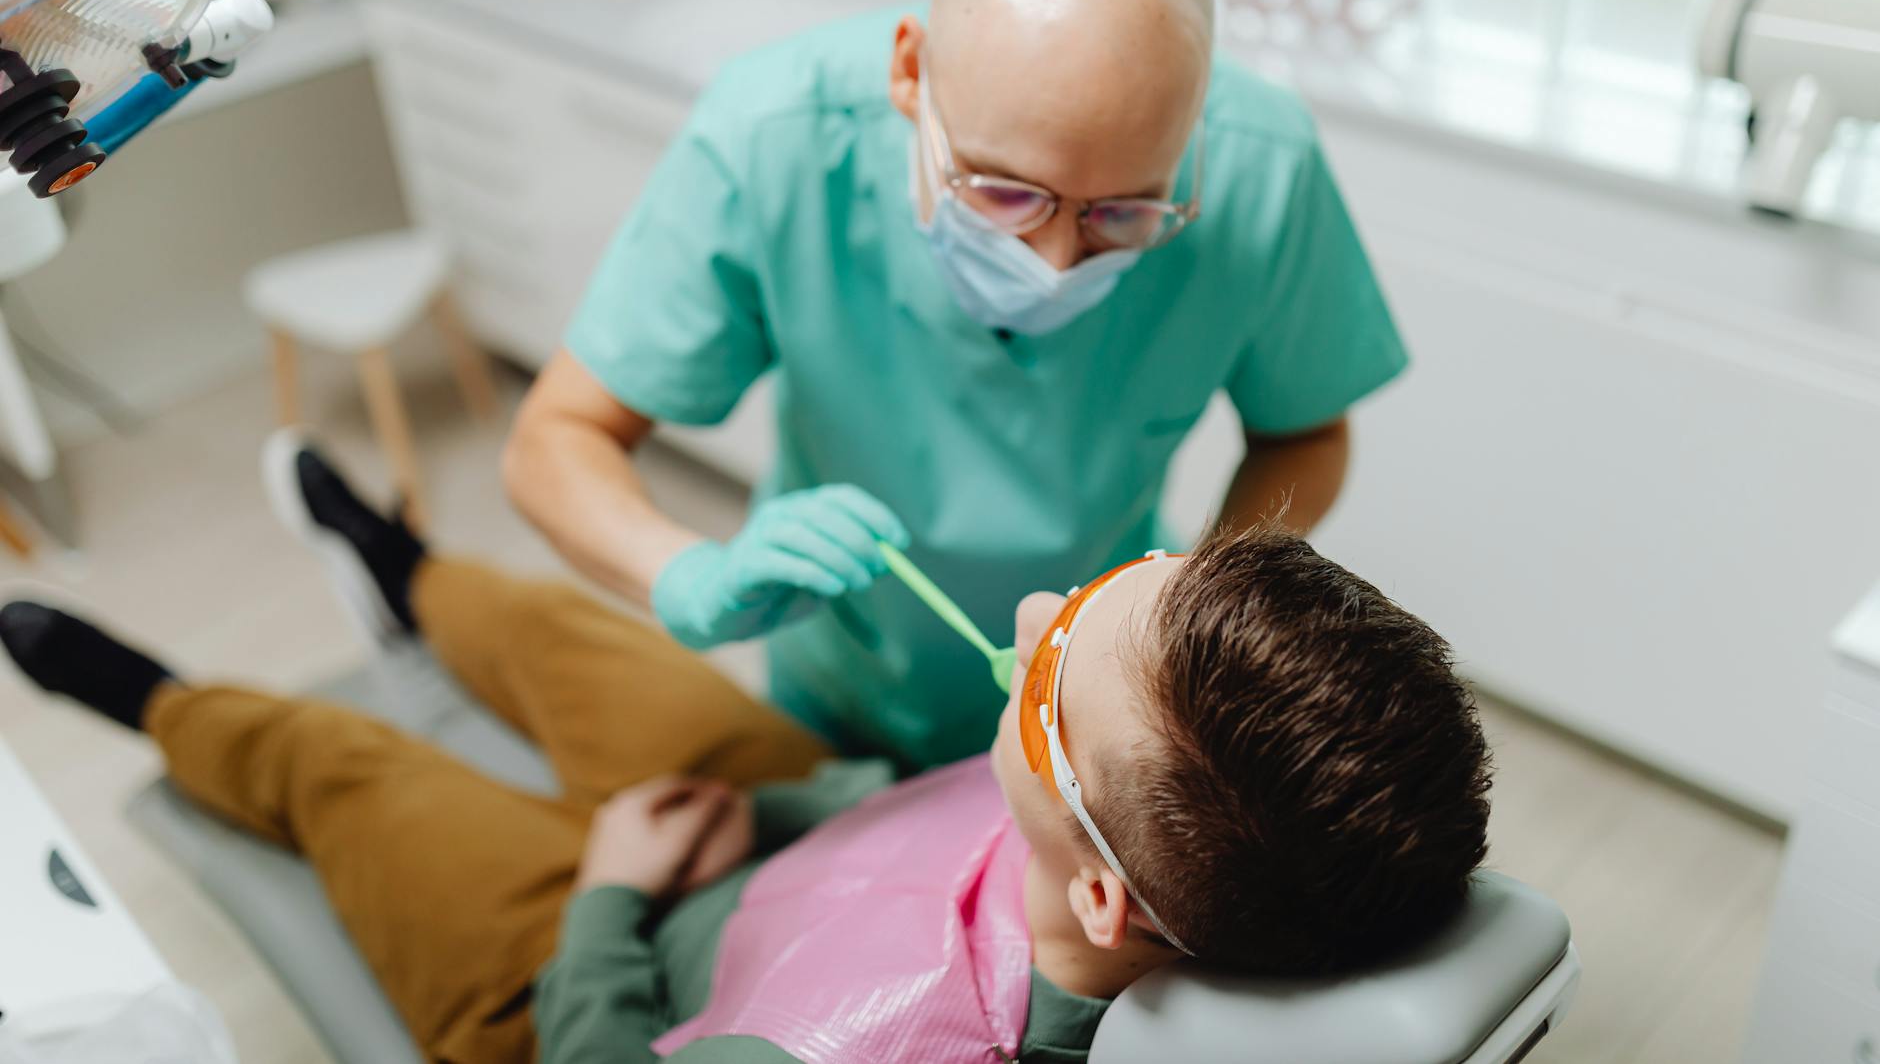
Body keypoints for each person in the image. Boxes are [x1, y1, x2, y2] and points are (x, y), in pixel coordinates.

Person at [2, 440, 1489, 1064]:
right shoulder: (1130, 825)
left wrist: (608, 897)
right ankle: (409, 574)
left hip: (592, 975)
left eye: (1050, 666)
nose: (1036, 611)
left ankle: (160, 704)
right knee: (574, 633)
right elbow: (956, 832)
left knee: (350, 768)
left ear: (1104, 897)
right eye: (1107, 587)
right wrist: (796, 805)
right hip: (800, 835)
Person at [504, 0, 1410, 772]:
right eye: (1007, 193)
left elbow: (1305, 434)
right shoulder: (773, 136)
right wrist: (684, 576)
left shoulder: (1263, 171)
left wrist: (1190, 606)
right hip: (843, 675)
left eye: (1123, 214)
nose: (1056, 263)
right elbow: (557, 436)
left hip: (1094, 698)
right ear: (910, 72)